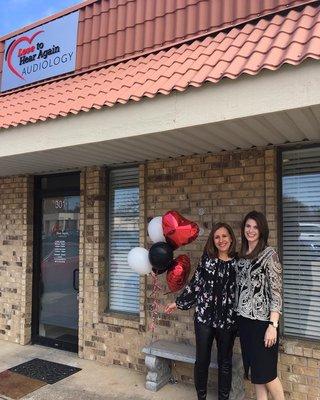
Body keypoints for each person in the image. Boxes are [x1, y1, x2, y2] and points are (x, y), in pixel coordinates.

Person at [165, 222, 238, 400]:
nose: (221, 240)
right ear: (213, 241)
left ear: (231, 238)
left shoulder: (239, 263)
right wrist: (179, 303)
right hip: (204, 319)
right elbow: (196, 285)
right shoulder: (207, 260)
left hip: (227, 321)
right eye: (217, 237)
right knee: (202, 361)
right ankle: (201, 396)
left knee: (225, 363)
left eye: (224, 236)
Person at [236, 210, 285, 400]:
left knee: (269, 375)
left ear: (262, 230)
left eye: (255, 227)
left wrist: (273, 326)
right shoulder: (241, 255)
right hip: (245, 323)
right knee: (257, 375)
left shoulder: (269, 254)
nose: (251, 230)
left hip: (263, 324)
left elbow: (276, 293)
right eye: (248, 226)